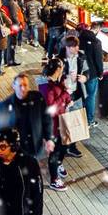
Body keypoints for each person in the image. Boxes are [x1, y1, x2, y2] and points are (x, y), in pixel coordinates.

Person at [0, 72, 52, 161]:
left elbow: (46, 118)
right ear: (13, 86)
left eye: (25, 85)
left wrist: (49, 138)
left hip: (36, 146)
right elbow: (1, 131)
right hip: (19, 151)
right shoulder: (5, 106)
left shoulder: (38, 97)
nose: (23, 88)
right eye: (20, 85)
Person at [36, 58, 70, 191]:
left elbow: (66, 97)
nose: (63, 70)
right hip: (53, 126)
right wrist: (64, 96)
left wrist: (66, 96)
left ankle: (59, 164)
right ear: (57, 69)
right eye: (61, 68)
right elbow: (50, 108)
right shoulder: (45, 85)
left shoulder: (57, 81)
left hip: (61, 122)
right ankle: (54, 179)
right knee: (55, 153)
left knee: (64, 147)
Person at [76, 26, 104, 127]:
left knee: (82, 95)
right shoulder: (96, 42)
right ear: (97, 30)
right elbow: (98, 60)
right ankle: (89, 120)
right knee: (91, 96)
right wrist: (100, 73)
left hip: (79, 72)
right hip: (91, 73)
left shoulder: (79, 38)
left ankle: (83, 118)